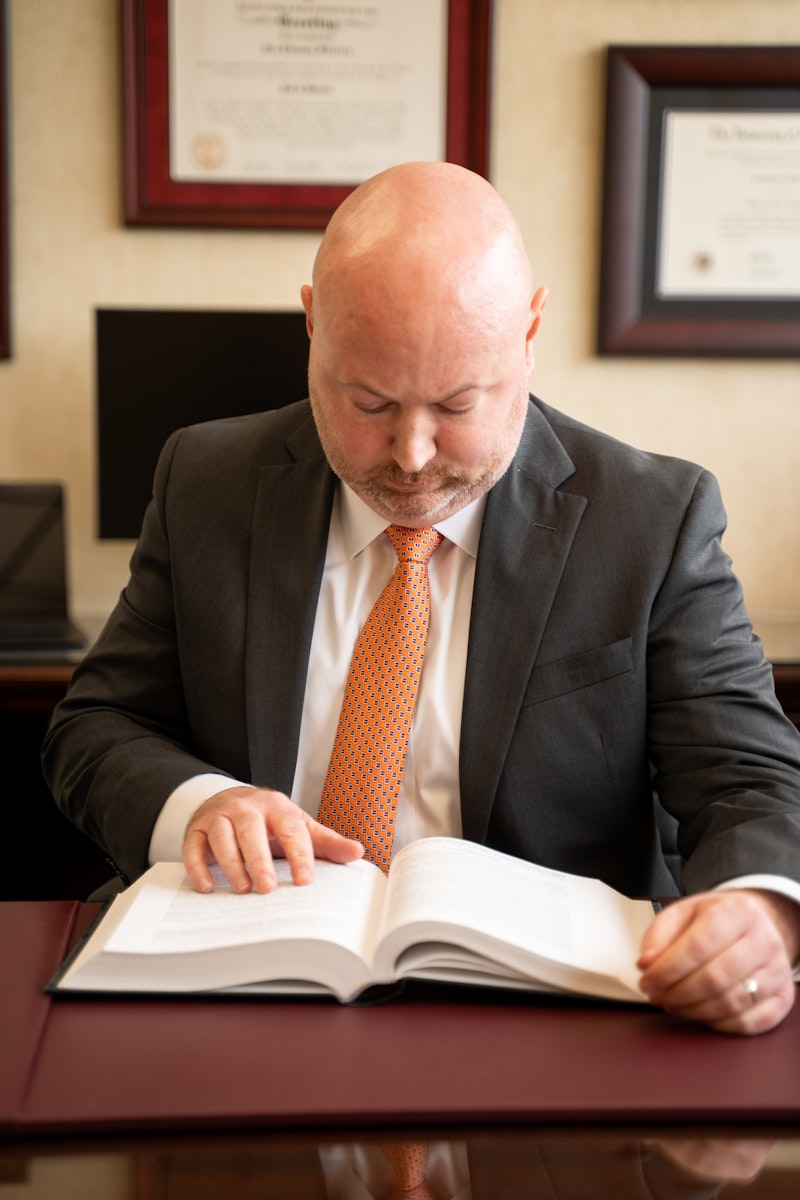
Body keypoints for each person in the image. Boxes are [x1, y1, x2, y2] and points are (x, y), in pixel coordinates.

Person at [43, 161, 800, 1036]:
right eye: (367, 401)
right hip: (241, 995)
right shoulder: (205, 479)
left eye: (456, 403)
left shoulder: (654, 519)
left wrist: (762, 912)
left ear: (529, 332)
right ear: (312, 323)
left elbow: (750, 779)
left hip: (541, 1021)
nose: (408, 455)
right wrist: (198, 803)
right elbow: (93, 726)